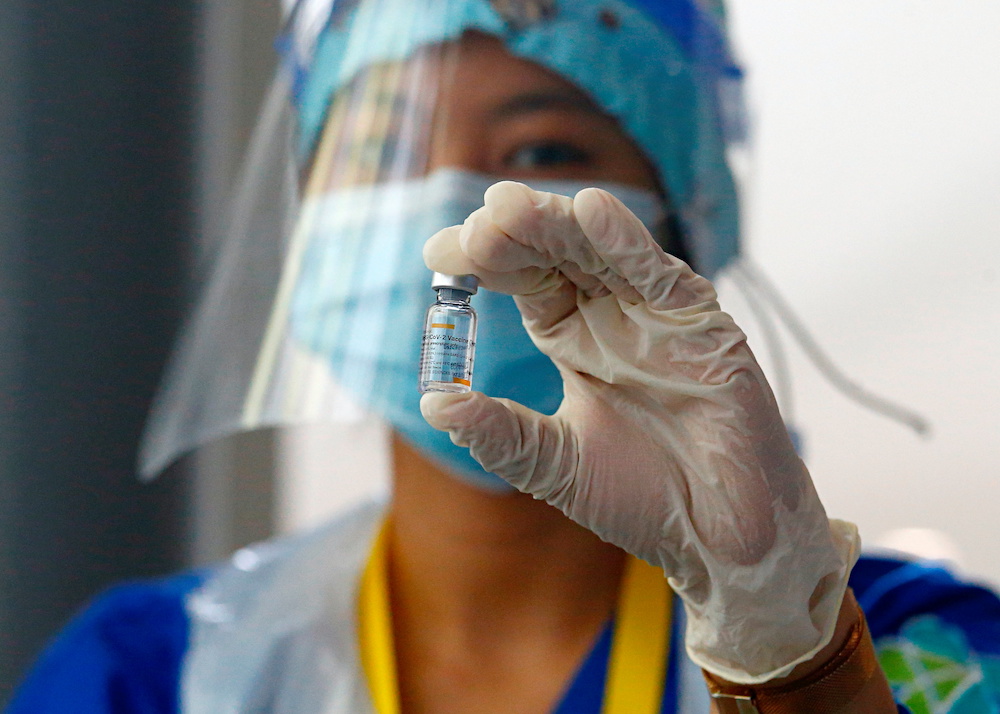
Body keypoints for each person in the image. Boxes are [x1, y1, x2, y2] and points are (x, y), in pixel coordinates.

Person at [8, 0, 1000, 712]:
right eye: (379, 150)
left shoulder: (916, 650)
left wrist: (797, 662)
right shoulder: (151, 673)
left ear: (681, 226)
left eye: (540, 154)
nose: (454, 205)